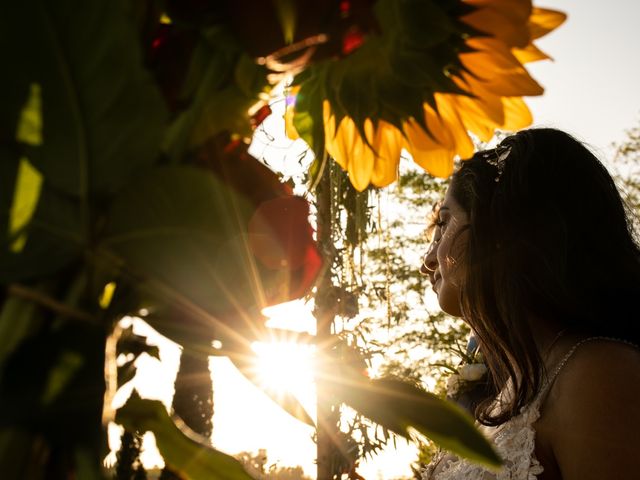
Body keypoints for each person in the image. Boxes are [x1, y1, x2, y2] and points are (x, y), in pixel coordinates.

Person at [419, 128, 640, 479]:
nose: (428, 260)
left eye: (444, 224)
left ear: (500, 234)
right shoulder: (505, 393)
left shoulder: (597, 376)